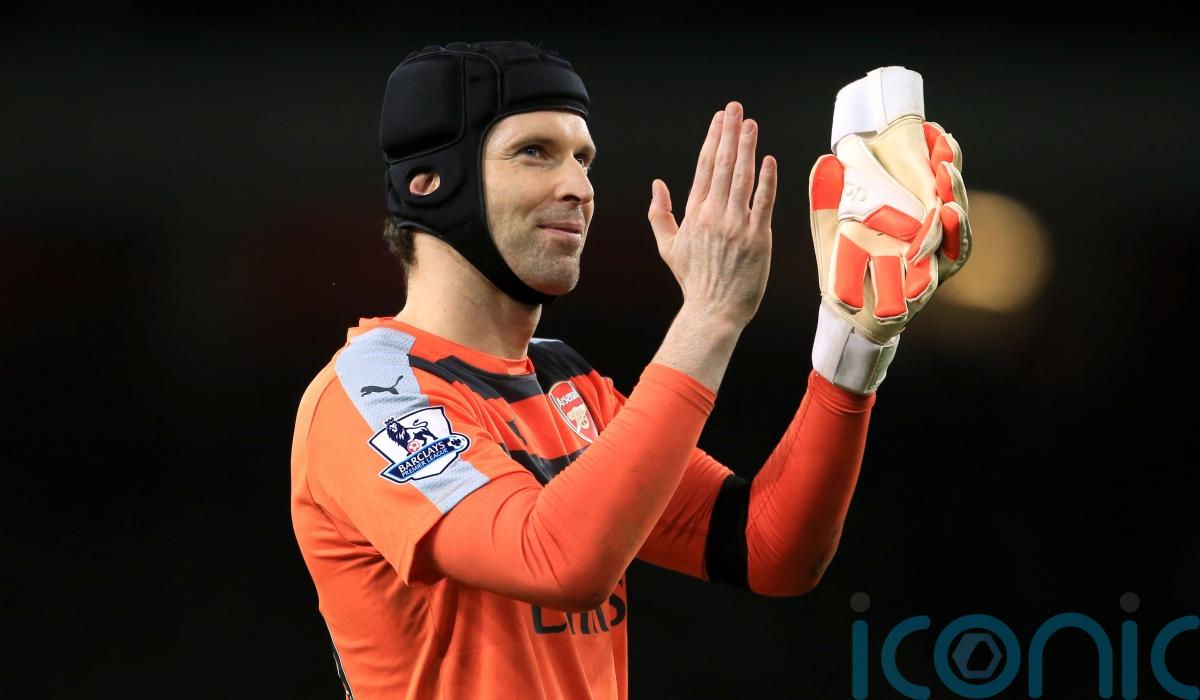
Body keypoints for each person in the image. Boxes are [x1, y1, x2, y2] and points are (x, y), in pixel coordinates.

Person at [290, 42, 970, 699]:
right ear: (430, 184)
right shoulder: (370, 394)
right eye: (534, 152)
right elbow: (556, 560)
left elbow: (769, 549)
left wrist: (852, 345)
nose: (580, 188)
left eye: (584, 159)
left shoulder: (564, 380)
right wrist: (709, 315)